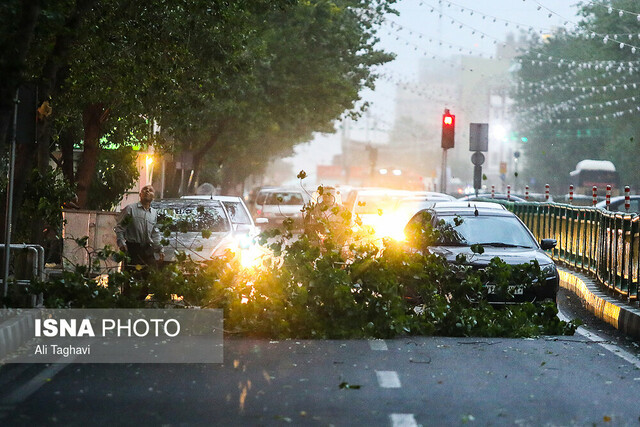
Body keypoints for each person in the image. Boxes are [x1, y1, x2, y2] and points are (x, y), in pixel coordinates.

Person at [114, 185, 164, 273]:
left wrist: (160, 249)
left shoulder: (153, 213)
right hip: (133, 249)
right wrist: (121, 243)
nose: (147, 191)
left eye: (150, 190)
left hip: (148, 249)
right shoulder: (130, 209)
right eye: (145, 189)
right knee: (133, 276)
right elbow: (120, 227)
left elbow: (155, 233)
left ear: (153, 197)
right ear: (140, 194)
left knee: (151, 274)